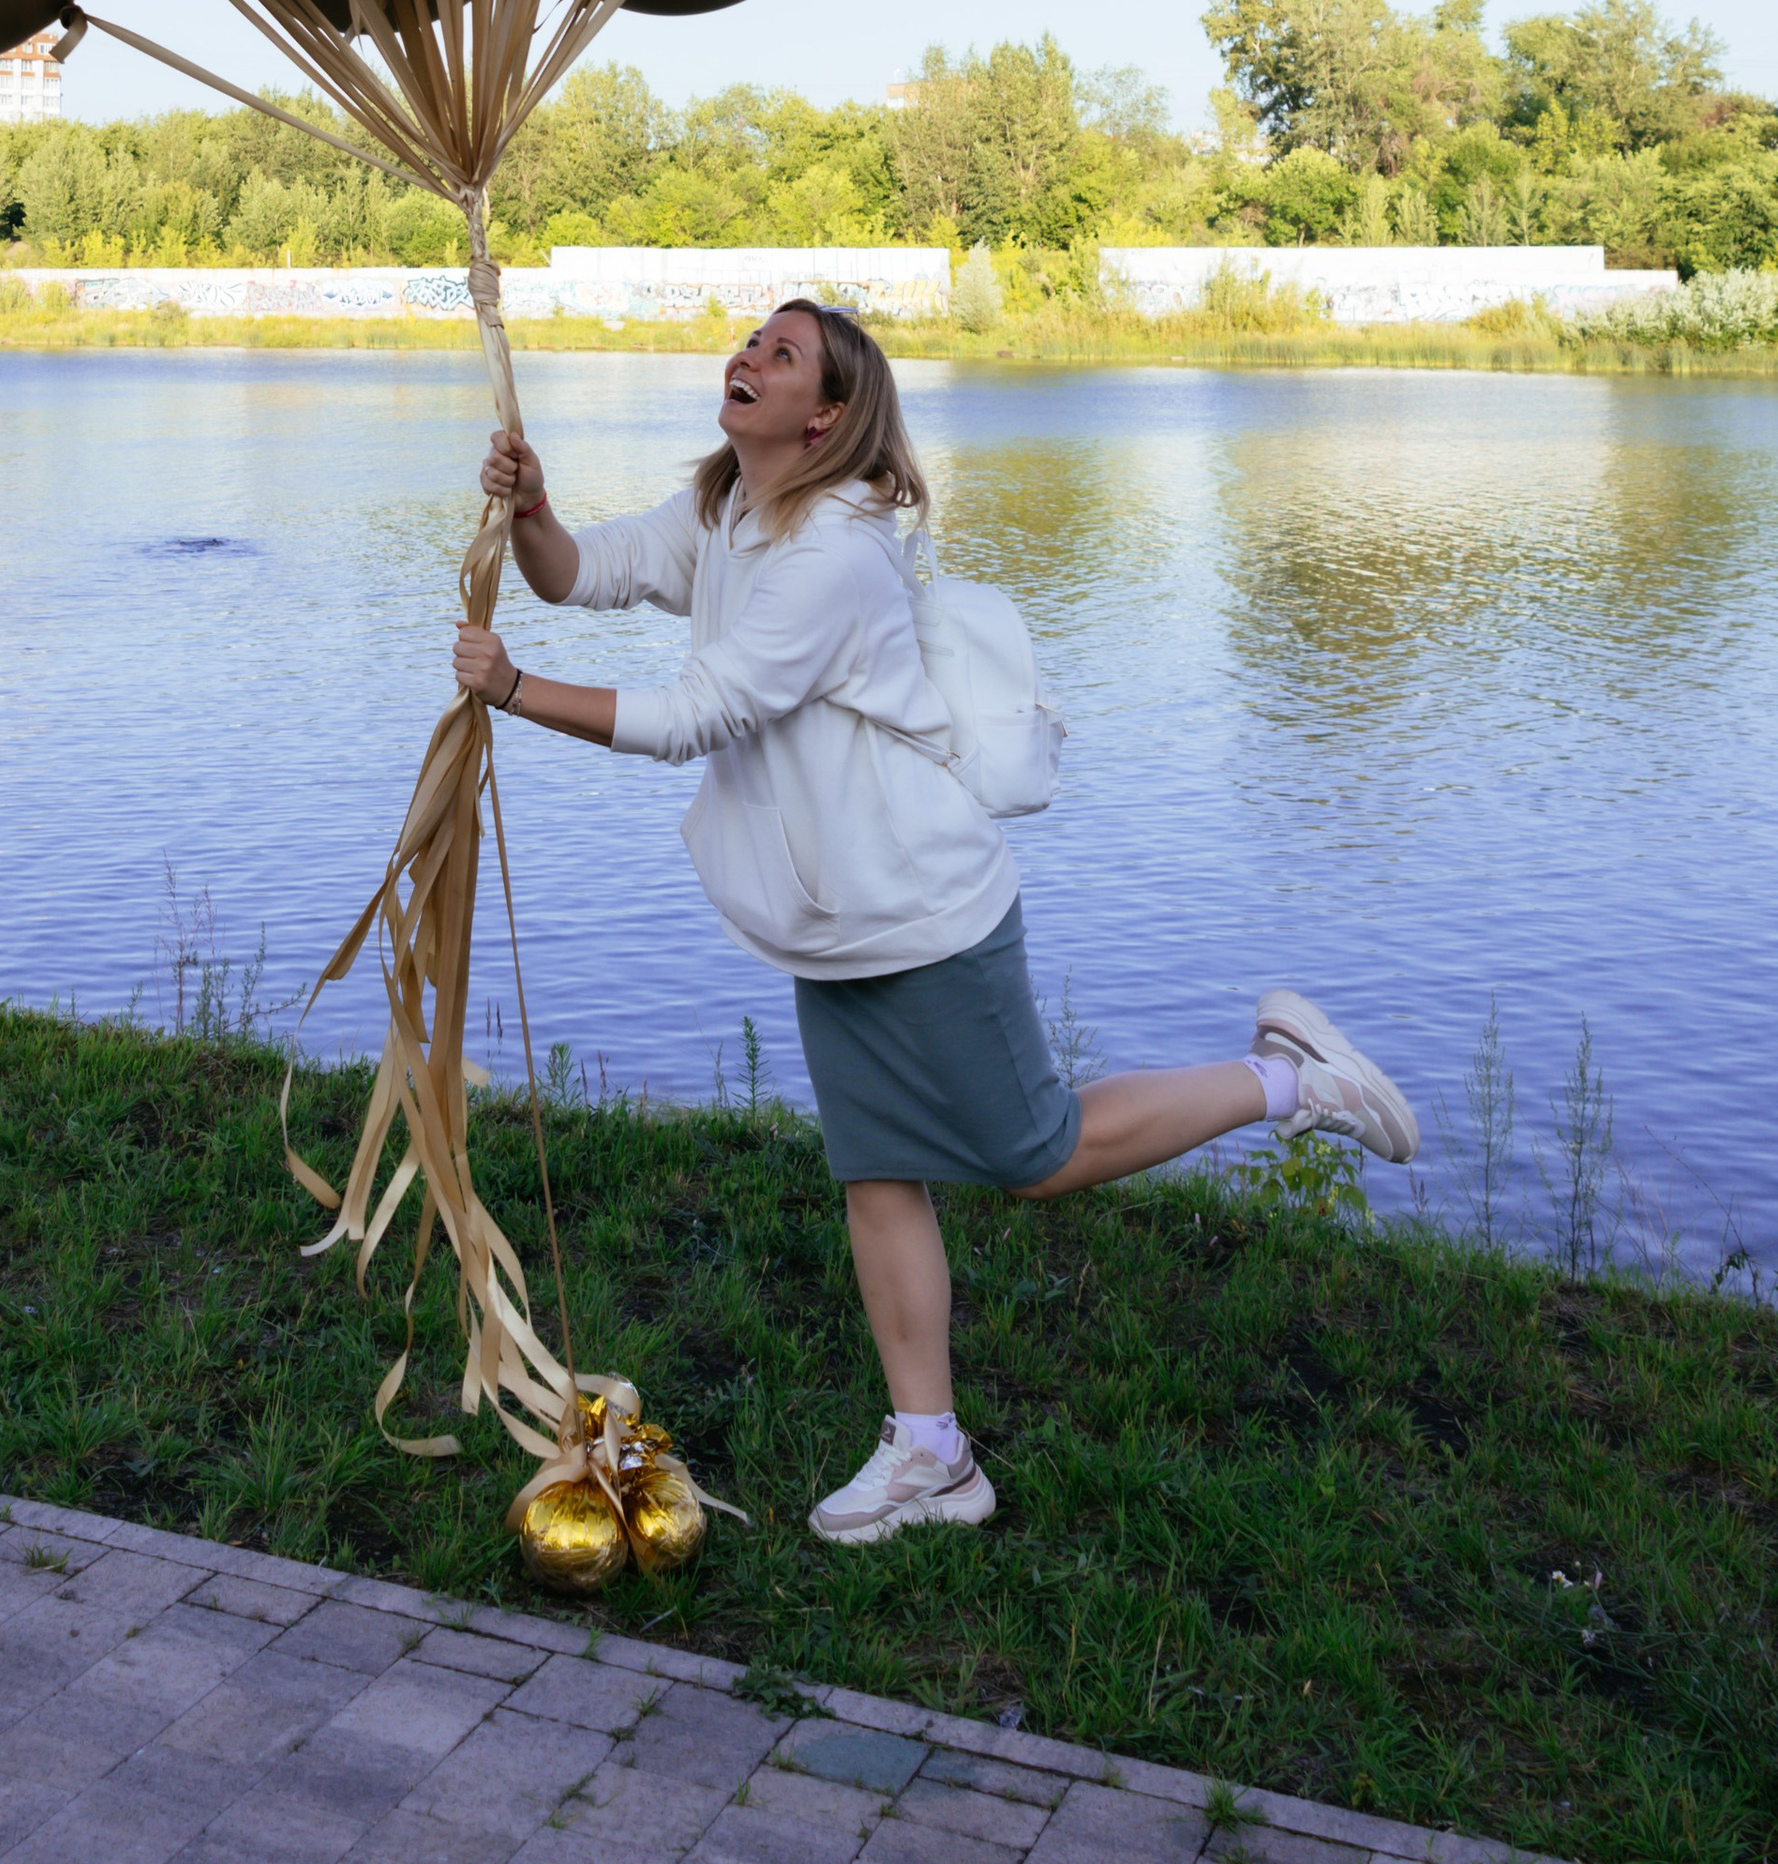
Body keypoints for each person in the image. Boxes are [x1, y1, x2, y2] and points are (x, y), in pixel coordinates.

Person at [450, 297, 1419, 1546]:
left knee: (1036, 1154)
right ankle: (931, 1456)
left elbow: (701, 712)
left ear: (831, 414)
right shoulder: (730, 514)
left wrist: (516, 691)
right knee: (877, 1173)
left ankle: (1288, 1080)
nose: (748, 358)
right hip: (830, 920)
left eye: (781, 355)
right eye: (753, 341)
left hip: (920, 912)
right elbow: (586, 574)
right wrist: (532, 512)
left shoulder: (833, 554)